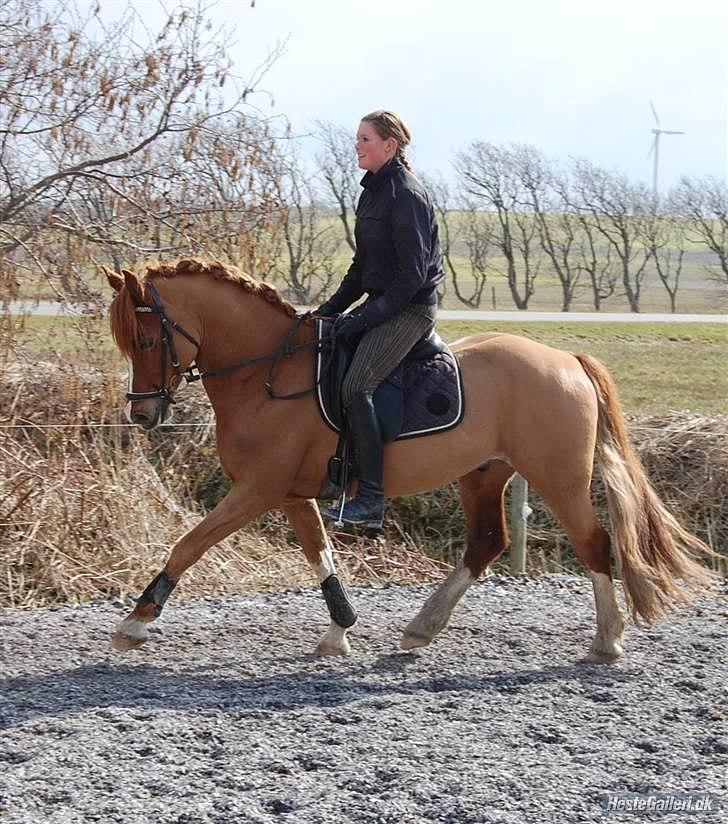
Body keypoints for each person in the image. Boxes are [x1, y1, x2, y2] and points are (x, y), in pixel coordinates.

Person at [315, 110, 444, 529]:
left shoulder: (407, 194)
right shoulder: (371, 193)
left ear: (389, 145)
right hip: (385, 303)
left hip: (410, 309)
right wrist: (330, 311)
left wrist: (365, 317)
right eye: (357, 138)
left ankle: (370, 500)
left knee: (356, 386)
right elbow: (362, 267)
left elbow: (412, 276)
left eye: (365, 139)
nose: (357, 145)